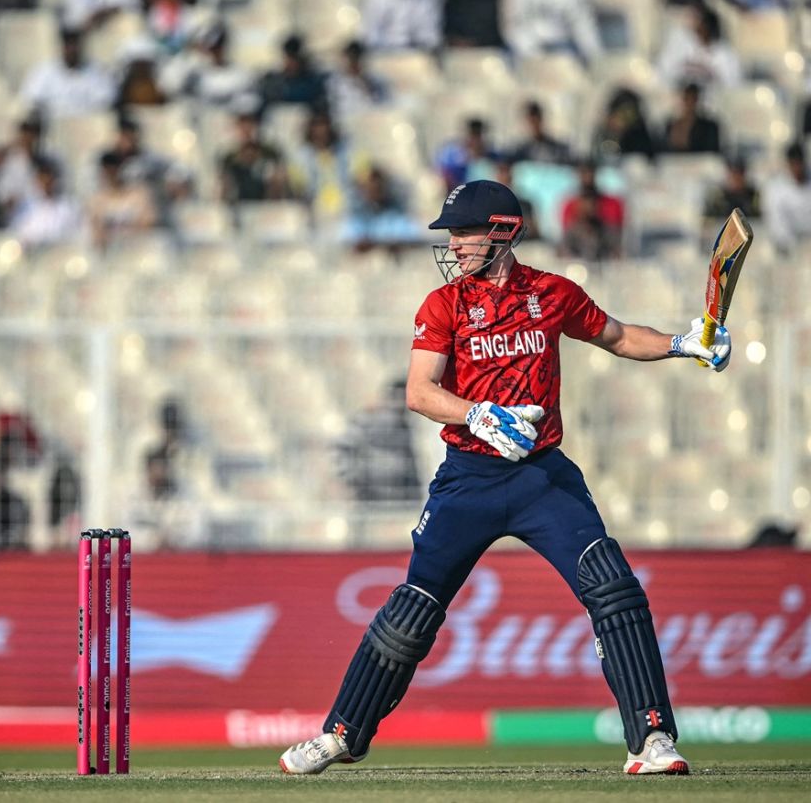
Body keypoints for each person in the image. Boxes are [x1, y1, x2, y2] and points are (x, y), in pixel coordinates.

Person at [279, 179, 730, 777]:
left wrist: (681, 343)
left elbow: (619, 337)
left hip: (542, 476)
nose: (454, 245)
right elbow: (419, 392)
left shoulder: (553, 292)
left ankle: (651, 739)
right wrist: (478, 415)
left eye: (464, 233)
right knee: (412, 613)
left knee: (614, 588)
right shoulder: (442, 305)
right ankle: (340, 734)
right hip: (468, 479)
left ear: (503, 232)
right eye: (452, 235)